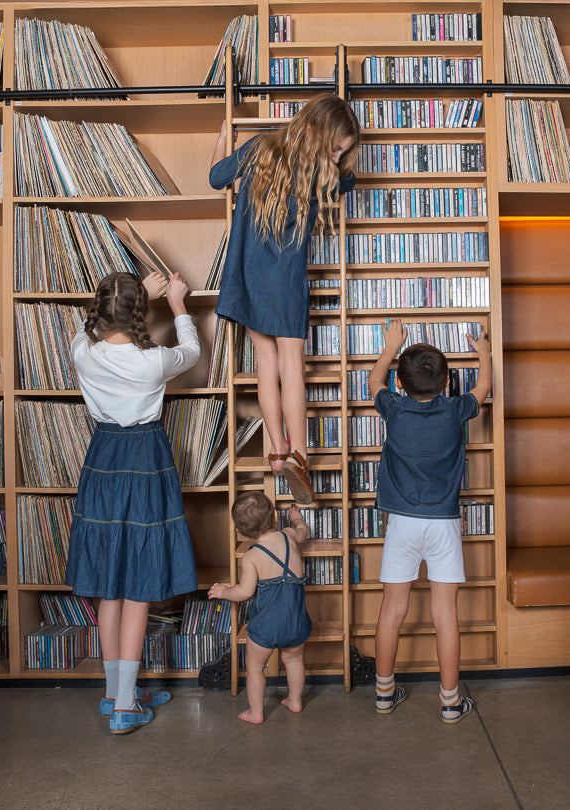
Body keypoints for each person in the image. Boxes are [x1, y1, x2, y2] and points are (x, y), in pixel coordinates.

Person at [65, 270, 200, 733]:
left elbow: (85, 326)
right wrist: (176, 302)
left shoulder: (82, 350)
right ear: (139, 313)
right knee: (139, 581)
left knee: (110, 582)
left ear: (101, 310)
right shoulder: (152, 362)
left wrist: (134, 291)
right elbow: (192, 351)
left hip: (102, 457)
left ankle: (113, 693)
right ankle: (125, 706)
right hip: (144, 458)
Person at [209, 94, 360, 505]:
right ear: (314, 130)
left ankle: (277, 451)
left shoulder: (260, 147)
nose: (337, 156)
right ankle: (300, 455)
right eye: (336, 147)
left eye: (342, 152)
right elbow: (350, 181)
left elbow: (215, 177)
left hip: (248, 276)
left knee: (266, 366)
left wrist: (225, 136)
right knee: (293, 366)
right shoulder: (323, 171)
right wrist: (336, 163)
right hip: (288, 279)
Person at [370, 318, 493, 723]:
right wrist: (484, 353)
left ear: (401, 385)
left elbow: (374, 383)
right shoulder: (457, 410)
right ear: (447, 383)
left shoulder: (395, 407)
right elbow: (483, 389)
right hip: (443, 523)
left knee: (392, 611)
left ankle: (385, 694)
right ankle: (450, 702)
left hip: (402, 524)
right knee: (445, 615)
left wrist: (391, 346)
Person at [209, 493, 312, 724]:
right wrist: (296, 519)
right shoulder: (289, 536)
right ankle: (295, 701)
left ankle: (256, 712)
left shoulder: (252, 556)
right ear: (275, 516)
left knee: (255, 666)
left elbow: (244, 592)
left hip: (266, 625)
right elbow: (303, 532)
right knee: (294, 661)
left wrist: (224, 592)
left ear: (241, 531)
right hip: (295, 621)